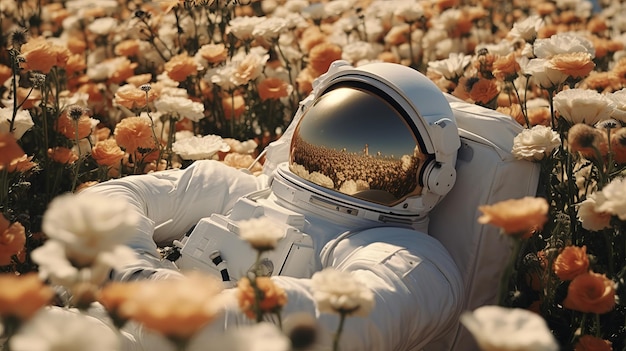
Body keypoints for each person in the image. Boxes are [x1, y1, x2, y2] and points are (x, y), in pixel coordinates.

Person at [83, 60, 469, 350]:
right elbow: (100, 204)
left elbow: (336, 320)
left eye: (377, 147)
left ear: (433, 176)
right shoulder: (239, 189)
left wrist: (145, 289)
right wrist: (136, 269)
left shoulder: (414, 261)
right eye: (332, 128)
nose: (334, 160)